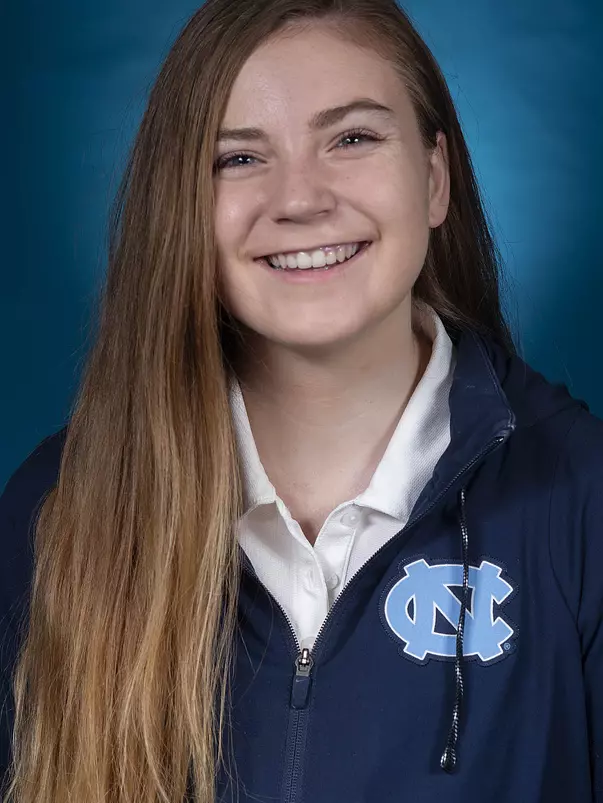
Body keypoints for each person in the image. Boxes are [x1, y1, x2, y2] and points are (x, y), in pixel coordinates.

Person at [1, 0, 602, 800]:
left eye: (351, 138)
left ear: (433, 179)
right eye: (238, 159)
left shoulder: (582, 500)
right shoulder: (57, 507)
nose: (300, 198)